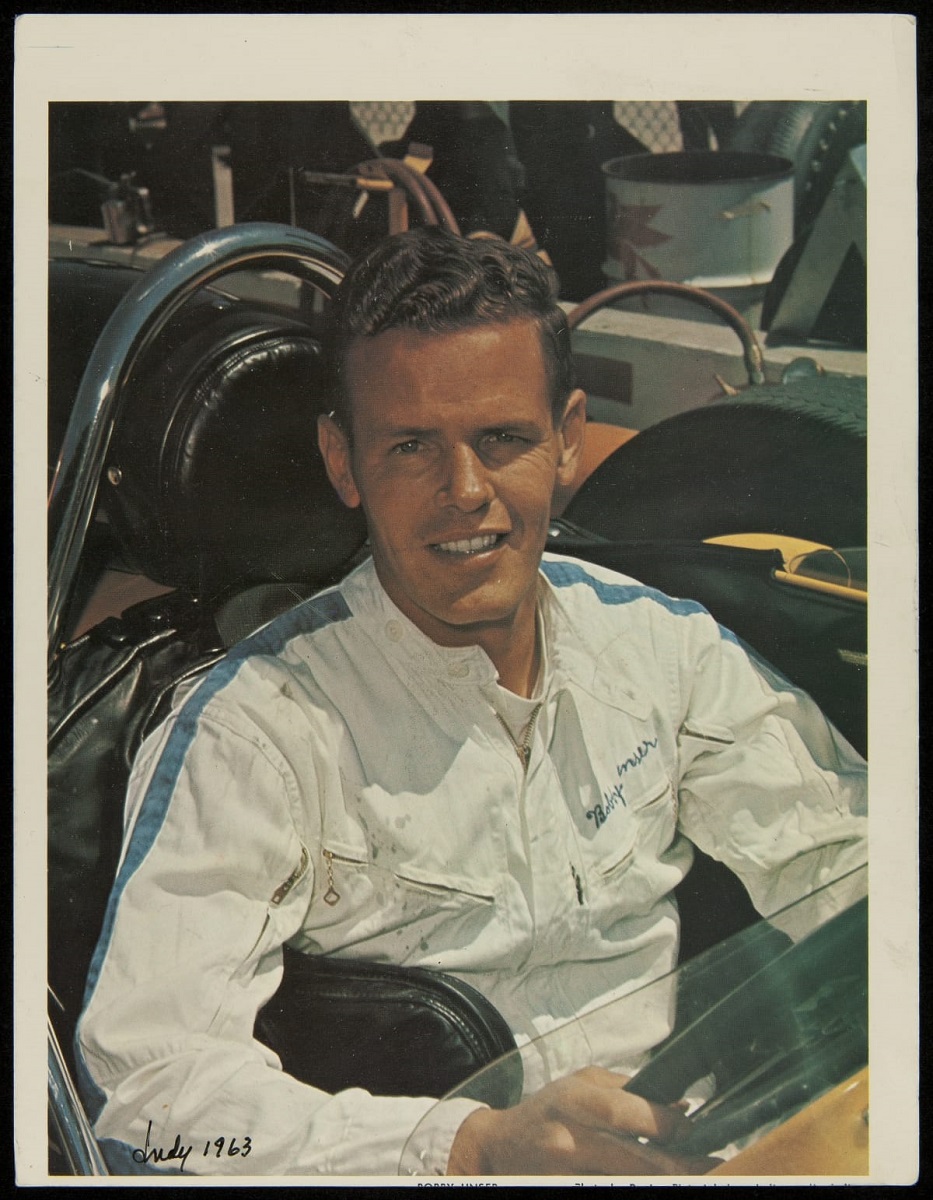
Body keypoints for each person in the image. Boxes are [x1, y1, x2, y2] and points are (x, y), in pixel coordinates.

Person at [76, 228, 867, 1177]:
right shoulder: (254, 730)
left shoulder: (663, 648)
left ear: (568, 438)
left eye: (503, 440)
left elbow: (851, 861)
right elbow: (150, 1101)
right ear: (343, 460)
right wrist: (465, 1147)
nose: (465, 493)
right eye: (411, 447)